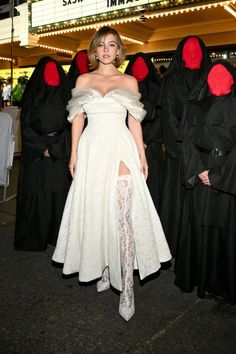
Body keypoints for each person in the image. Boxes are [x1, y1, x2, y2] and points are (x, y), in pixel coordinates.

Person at [52, 26, 171, 321]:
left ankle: (127, 287)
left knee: (123, 216)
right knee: (97, 212)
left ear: (119, 50)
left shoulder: (129, 81)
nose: (107, 50)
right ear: (94, 51)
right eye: (101, 45)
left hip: (120, 149)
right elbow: (77, 120)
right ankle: (104, 268)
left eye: (112, 45)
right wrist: (74, 154)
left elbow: (135, 122)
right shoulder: (83, 79)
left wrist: (142, 156)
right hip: (92, 150)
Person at [175, 59, 236, 305]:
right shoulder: (196, 105)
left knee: (225, 230)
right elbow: (186, 139)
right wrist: (199, 169)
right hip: (200, 171)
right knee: (199, 225)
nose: (218, 80)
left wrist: (219, 176)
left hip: (228, 174)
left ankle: (224, 283)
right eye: (213, 76)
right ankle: (201, 278)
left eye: (224, 76)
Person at [159, 35, 211, 256]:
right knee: (179, 203)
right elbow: (168, 119)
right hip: (180, 151)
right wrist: (184, 150)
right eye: (187, 50)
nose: (192, 53)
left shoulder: (211, 77)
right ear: (180, 54)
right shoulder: (172, 81)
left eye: (196, 49)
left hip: (206, 152)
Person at [14, 56, 71, 251]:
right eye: (47, 71)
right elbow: (26, 125)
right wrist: (41, 148)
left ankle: (58, 236)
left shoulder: (67, 96)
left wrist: (56, 148)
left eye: (55, 71)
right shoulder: (32, 96)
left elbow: (72, 126)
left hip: (59, 150)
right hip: (37, 152)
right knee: (37, 195)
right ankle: (35, 236)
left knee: (59, 193)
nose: (51, 76)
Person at [125, 52, 164, 211]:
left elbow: (162, 117)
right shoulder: (124, 88)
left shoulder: (158, 89)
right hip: (127, 142)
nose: (140, 69)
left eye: (143, 65)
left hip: (152, 145)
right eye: (136, 65)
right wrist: (133, 139)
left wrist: (146, 140)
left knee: (151, 183)